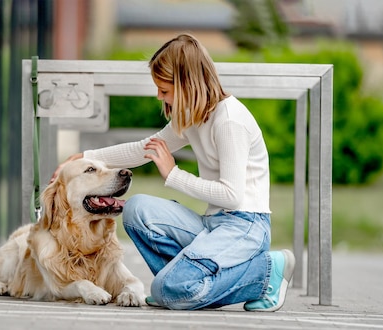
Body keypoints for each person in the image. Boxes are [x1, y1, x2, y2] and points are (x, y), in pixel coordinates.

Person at [51, 33, 295, 311]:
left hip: (246, 227)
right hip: (214, 225)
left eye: (164, 90)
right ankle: (180, 286)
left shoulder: (229, 121)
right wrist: (86, 157)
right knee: (136, 209)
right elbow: (144, 149)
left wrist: (173, 175)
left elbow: (231, 195)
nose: (159, 96)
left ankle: (265, 272)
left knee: (167, 290)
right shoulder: (194, 117)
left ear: (186, 84)